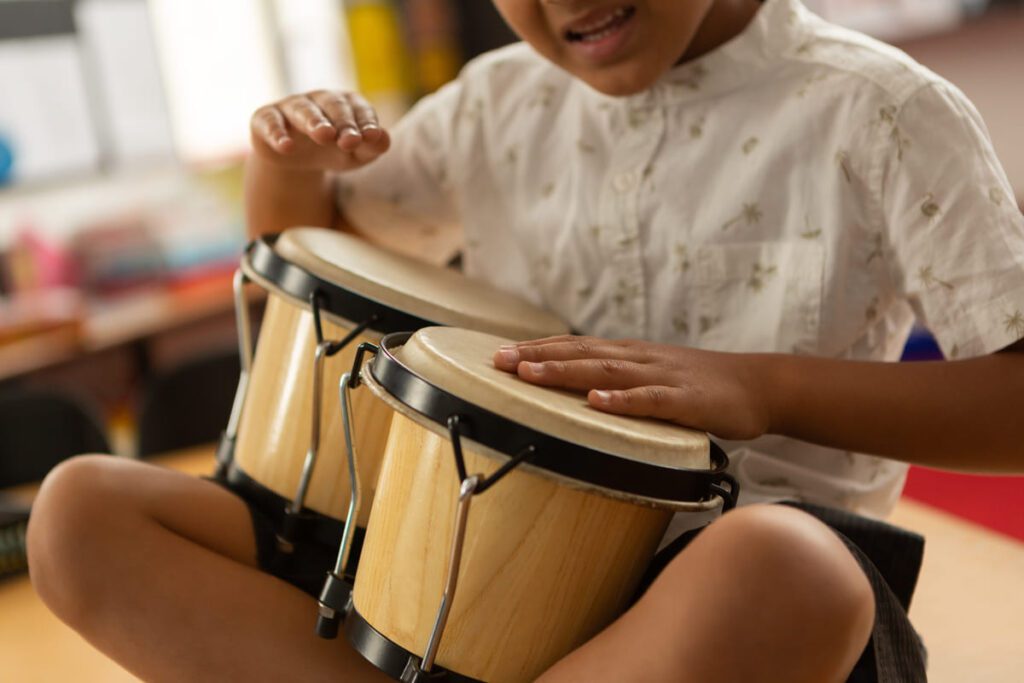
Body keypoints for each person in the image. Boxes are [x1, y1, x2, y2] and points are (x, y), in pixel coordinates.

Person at [27, 0, 1024, 681]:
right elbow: (306, 256)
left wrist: (757, 388)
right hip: (451, 568)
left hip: (717, 611)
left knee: (787, 563)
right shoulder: (493, 105)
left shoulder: (884, 109)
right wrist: (286, 163)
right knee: (79, 512)